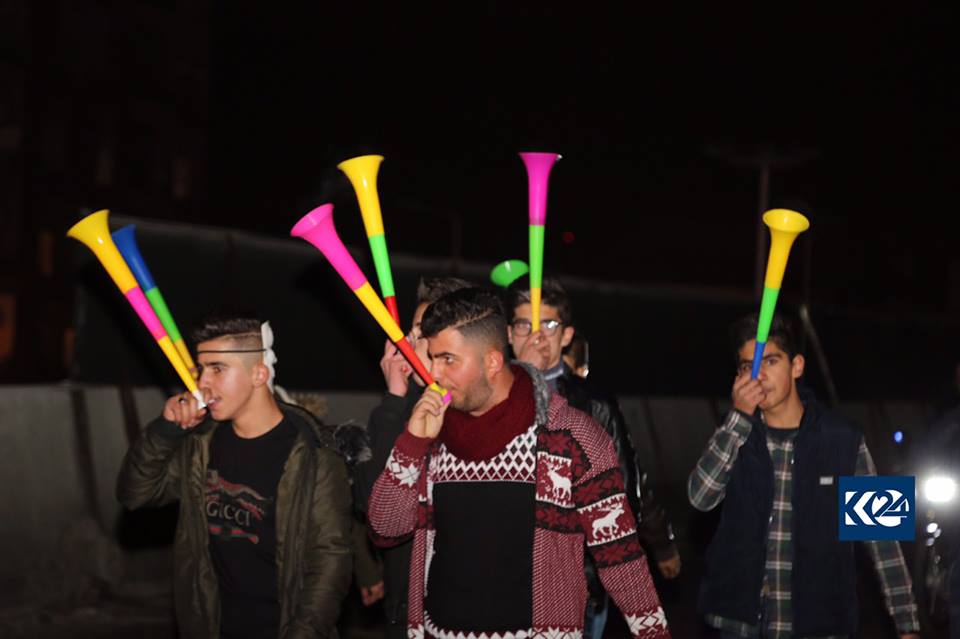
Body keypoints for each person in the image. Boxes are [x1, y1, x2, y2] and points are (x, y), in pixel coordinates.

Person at [367, 287, 671, 638]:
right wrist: (412, 443)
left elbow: (620, 557)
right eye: (433, 357)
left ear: (493, 362)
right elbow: (385, 529)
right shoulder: (432, 435)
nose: (433, 373)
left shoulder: (570, 438)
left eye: (448, 359)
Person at [117, 316, 352, 639]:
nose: (202, 383)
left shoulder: (315, 456)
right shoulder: (201, 446)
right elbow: (135, 494)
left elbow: (330, 561)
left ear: (259, 373)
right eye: (200, 369)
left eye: (217, 369)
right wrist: (164, 430)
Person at [688, 313, 920, 638]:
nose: (758, 376)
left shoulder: (843, 438)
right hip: (741, 626)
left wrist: (907, 623)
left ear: (796, 366)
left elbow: (883, 537)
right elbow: (699, 498)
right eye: (746, 367)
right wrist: (739, 418)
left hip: (820, 625)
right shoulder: (734, 434)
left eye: (770, 361)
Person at [505, 277, 680, 639]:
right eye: (524, 325)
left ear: (566, 335)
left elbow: (625, 490)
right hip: (505, 580)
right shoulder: (487, 398)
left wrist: (654, 545)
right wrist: (526, 378)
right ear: (509, 334)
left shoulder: (593, 404)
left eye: (548, 325)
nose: (535, 336)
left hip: (576, 585)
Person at [353, 276, 471, 637]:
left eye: (421, 333)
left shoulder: (478, 415)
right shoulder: (398, 410)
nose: (407, 342)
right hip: (405, 612)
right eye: (412, 331)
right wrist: (393, 400)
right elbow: (369, 507)